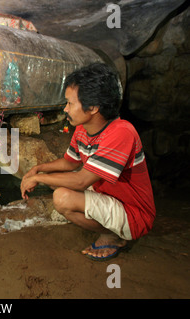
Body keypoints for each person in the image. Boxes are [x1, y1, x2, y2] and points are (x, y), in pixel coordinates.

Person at [20, 63, 156, 261]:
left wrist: (39, 179)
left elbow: (81, 181)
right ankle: (111, 229)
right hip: (107, 194)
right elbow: (70, 163)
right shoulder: (84, 129)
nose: (65, 109)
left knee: (62, 198)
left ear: (92, 107)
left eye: (70, 103)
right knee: (58, 182)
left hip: (134, 214)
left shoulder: (122, 132)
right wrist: (38, 169)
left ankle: (113, 236)